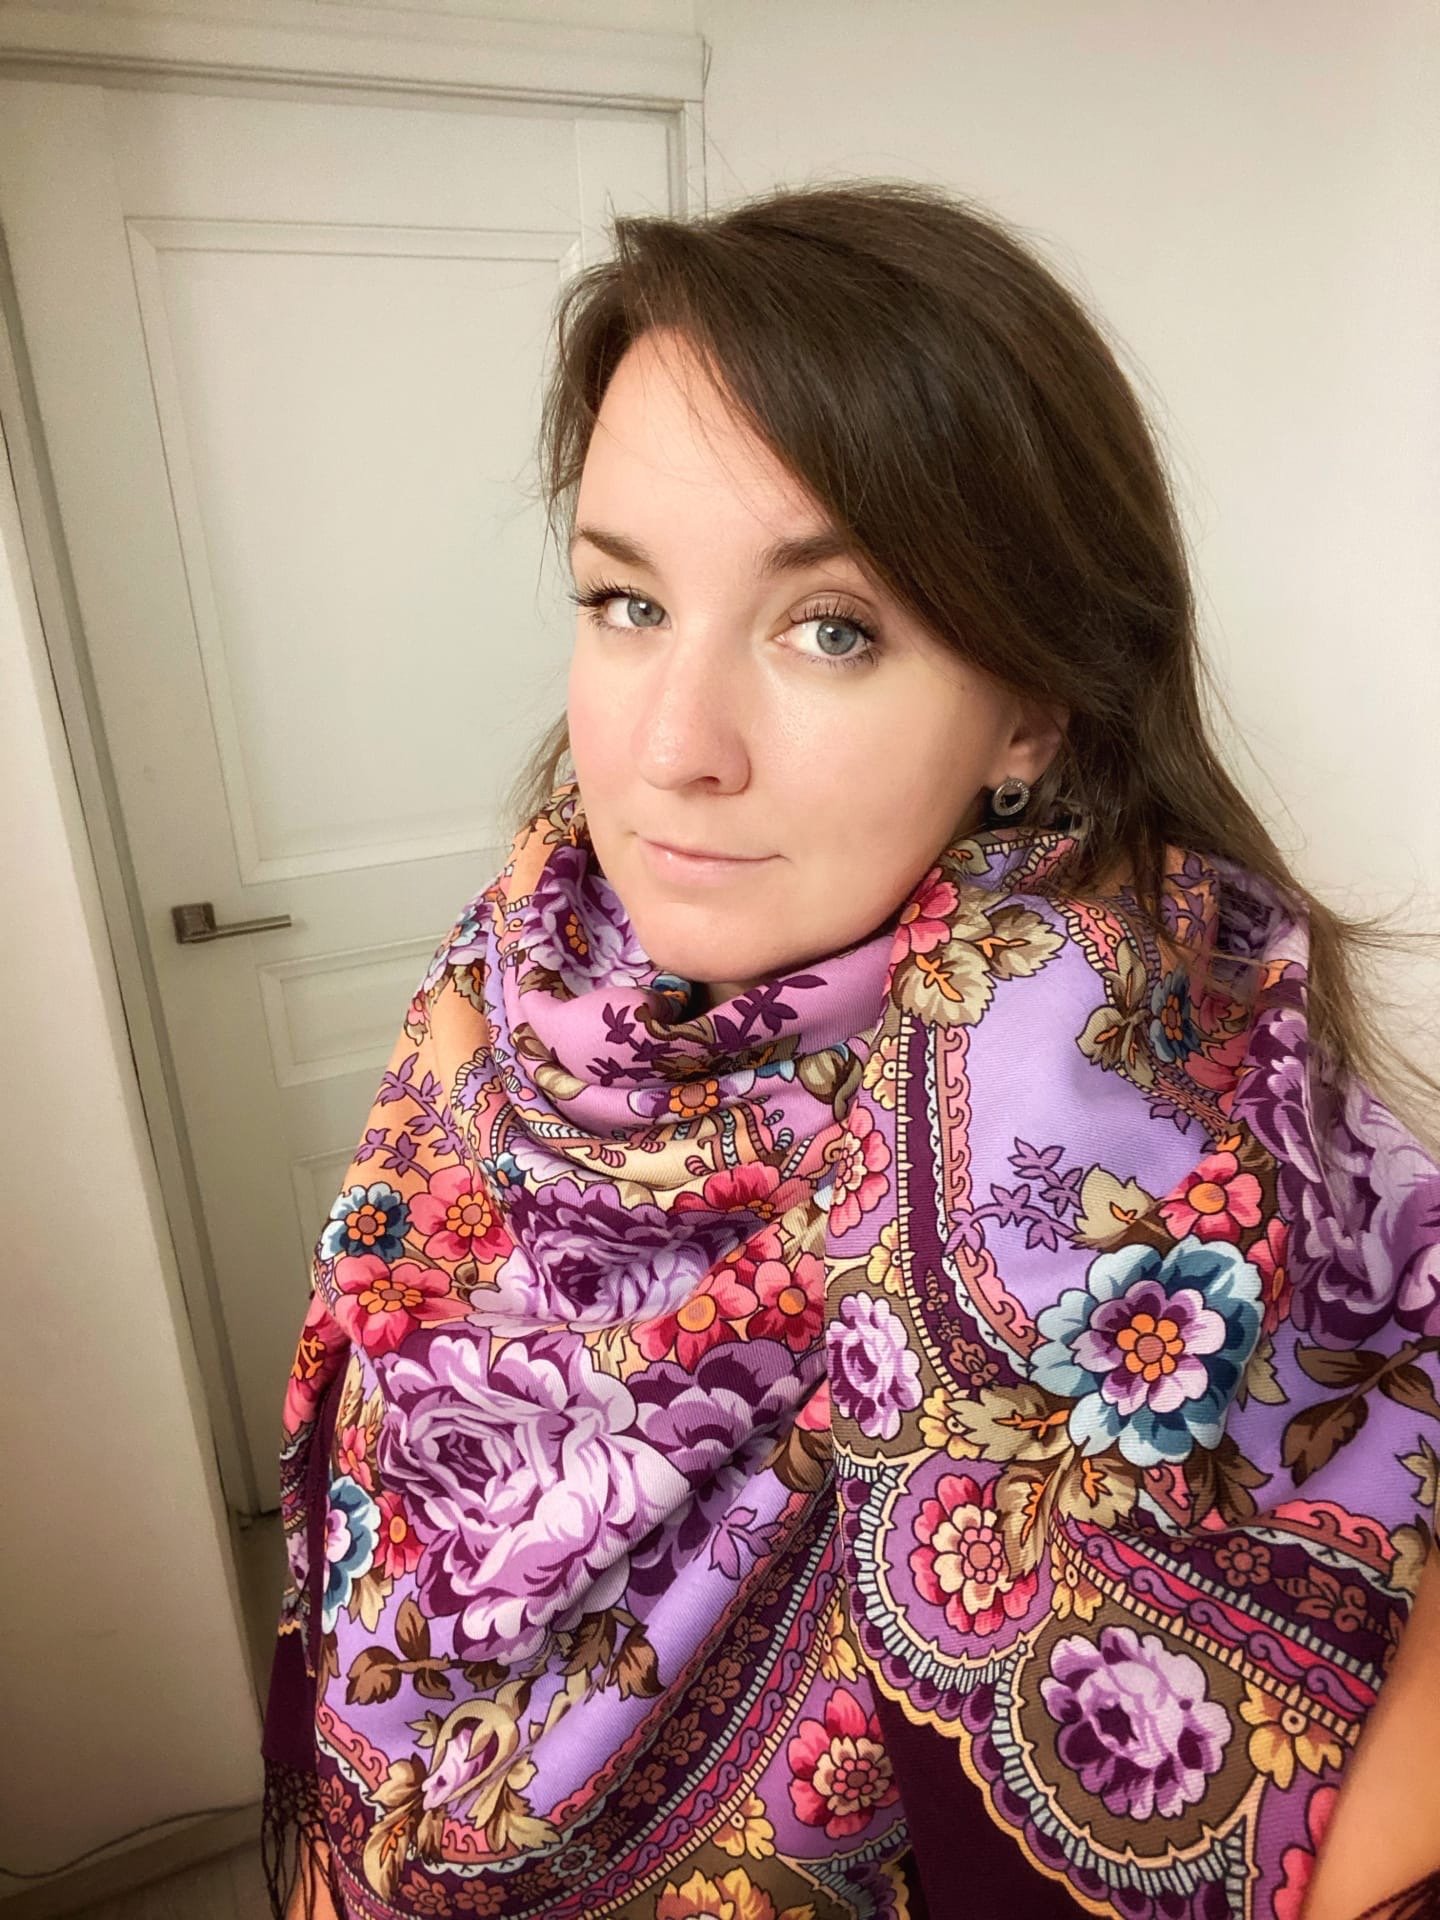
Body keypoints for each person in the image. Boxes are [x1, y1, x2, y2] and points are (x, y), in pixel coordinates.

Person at [261, 181, 1440, 1920]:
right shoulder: (509, 983)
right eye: (625, 601)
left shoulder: (1160, 1133)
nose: (673, 747)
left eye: (832, 628)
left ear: (1029, 708)